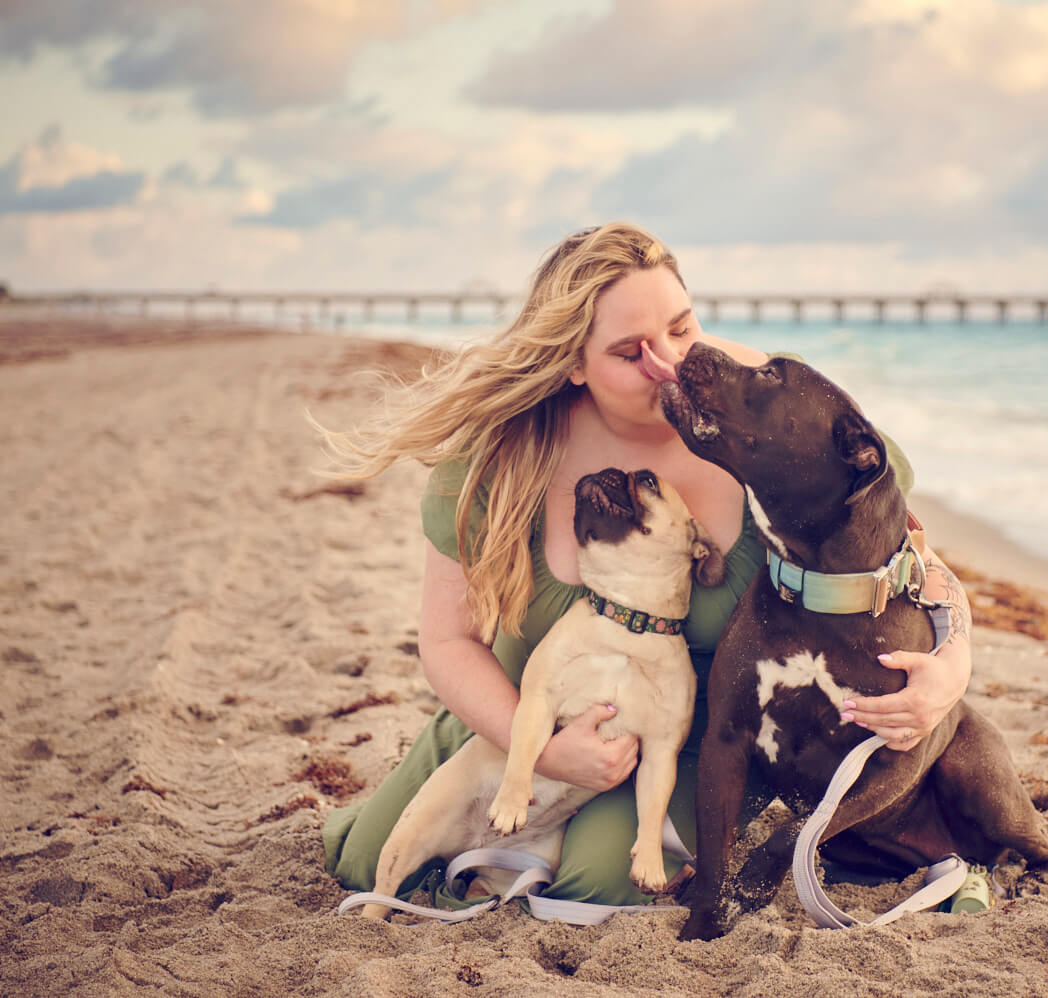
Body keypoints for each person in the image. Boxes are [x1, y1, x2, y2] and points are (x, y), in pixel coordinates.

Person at [321, 222, 976, 907]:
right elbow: (446, 640)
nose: (666, 363)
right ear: (572, 363)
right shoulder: (500, 458)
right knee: (365, 865)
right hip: (522, 712)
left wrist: (952, 666)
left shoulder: (770, 421)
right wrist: (539, 748)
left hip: (680, 739)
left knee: (595, 889)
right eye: (629, 351)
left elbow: (919, 568)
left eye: (682, 328)